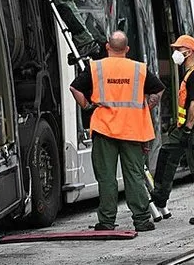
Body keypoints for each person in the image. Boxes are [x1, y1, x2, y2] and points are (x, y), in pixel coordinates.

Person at [69, 31, 164, 232]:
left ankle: (106, 222)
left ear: (107, 47)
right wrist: (146, 106)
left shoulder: (96, 68)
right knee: (135, 176)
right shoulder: (139, 69)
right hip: (132, 131)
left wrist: (87, 106)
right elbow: (159, 89)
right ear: (127, 49)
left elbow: (75, 88)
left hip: (104, 130)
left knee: (106, 178)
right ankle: (141, 220)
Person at [151, 35, 194, 224]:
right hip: (190, 127)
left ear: (188, 52)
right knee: (168, 153)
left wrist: (188, 128)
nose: (175, 53)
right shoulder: (191, 73)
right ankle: (160, 196)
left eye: (178, 49)